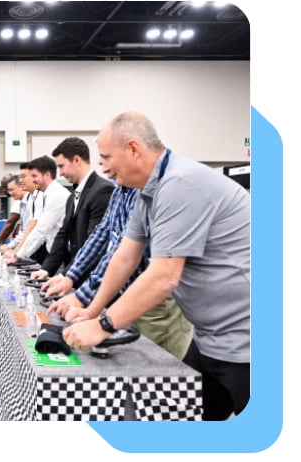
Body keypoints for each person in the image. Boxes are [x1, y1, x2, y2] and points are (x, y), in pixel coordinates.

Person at [62, 111, 250, 420]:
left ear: (133, 148)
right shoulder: (148, 191)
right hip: (210, 337)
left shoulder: (180, 183)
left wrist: (103, 325)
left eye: (107, 156)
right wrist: (92, 310)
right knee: (186, 420)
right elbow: (125, 256)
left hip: (246, 339)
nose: (103, 166)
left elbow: (164, 277)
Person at [42, 162, 192, 360]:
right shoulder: (120, 191)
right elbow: (102, 234)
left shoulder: (150, 193)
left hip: (156, 302)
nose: (102, 167)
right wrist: (71, 278)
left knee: (155, 369)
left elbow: (122, 255)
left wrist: (83, 298)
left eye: (107, 157)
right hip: (129, 294)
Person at [29, 137, 115, 285]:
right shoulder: (72, 197)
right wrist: (45, 270)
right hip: (76, 274)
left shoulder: (102, 190)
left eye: (62, 166)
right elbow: (62, 236)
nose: (60, 173)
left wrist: (65, 276)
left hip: (93, 277)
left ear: (76, 160)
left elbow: (94, 243)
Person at [3, 155, 68, 265]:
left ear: (47, 175)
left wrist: (17, 255)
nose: (20, 181)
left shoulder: (56, 195)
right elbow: (30, 228)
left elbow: (39, 230)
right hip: (51, 253)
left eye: (34, 176)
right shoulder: (41, 196)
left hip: (58, 254)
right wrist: (16, 252)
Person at [0, 173, 22, 249]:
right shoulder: (19, 199)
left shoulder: (19, 199)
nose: (4, 190)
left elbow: (11, 222)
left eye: (5, 187)